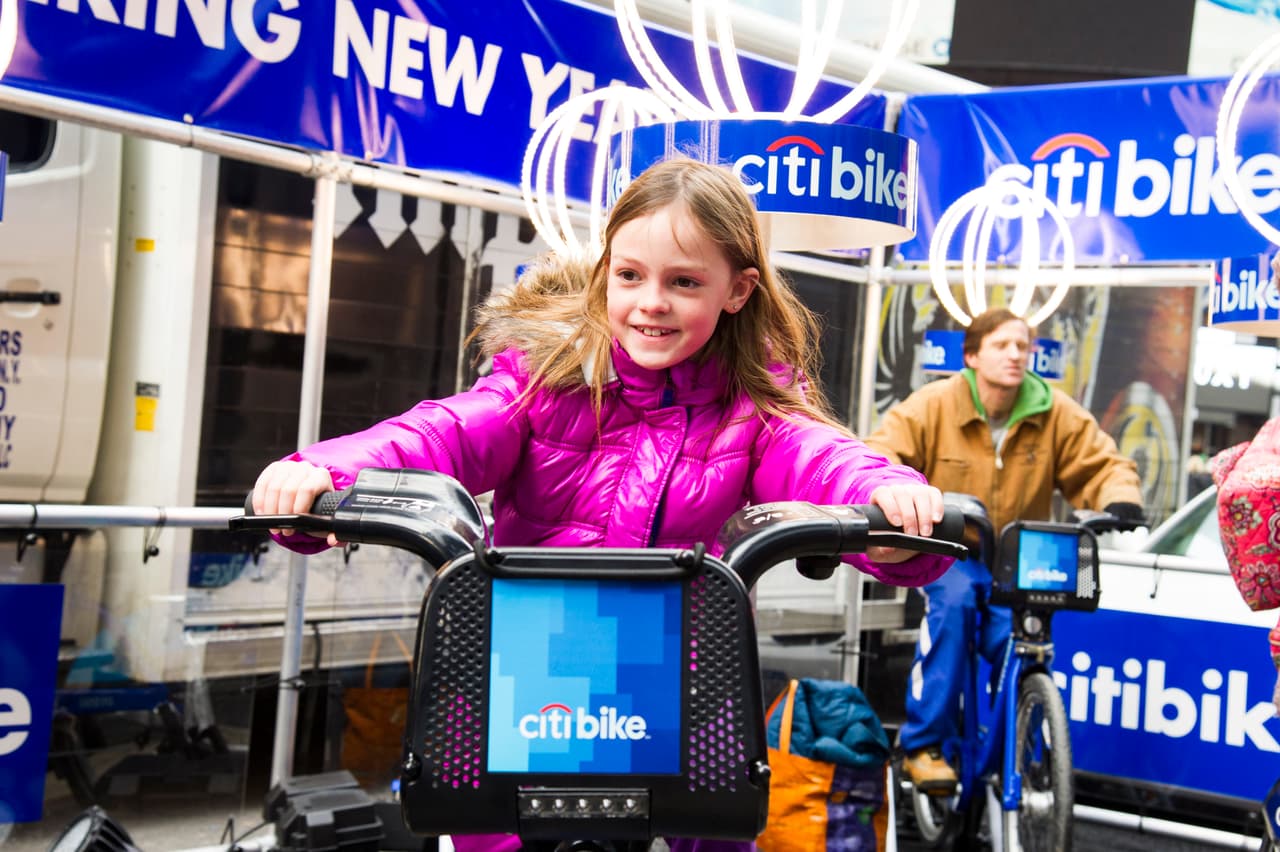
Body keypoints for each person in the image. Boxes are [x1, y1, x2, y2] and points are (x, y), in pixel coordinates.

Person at [253, 157, 955, 851]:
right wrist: (323, 470)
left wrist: (880, 503)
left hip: (677, 684)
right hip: (525, 679)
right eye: (630, 276)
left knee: (711, 827)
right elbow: (444, 430)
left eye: (684, 282)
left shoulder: (754, 408)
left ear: (737, 291)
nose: (651, 302)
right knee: (486, 827)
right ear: (605, 274)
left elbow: (818, 455)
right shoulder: (543, 379)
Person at [864, 307, 1144, 795]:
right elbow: (880, 455)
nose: (1016, 355)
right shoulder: (933, 404)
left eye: (1022, 346)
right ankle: (924, 745)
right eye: (1002, 345)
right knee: (952, 613)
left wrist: (1119, 497)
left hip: (1017, 558)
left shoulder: (1053, 410)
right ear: (971, 355)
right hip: (950, 551)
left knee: (1022, 644)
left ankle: (1023, 744)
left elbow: (1103, 463)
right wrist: (890, 500)